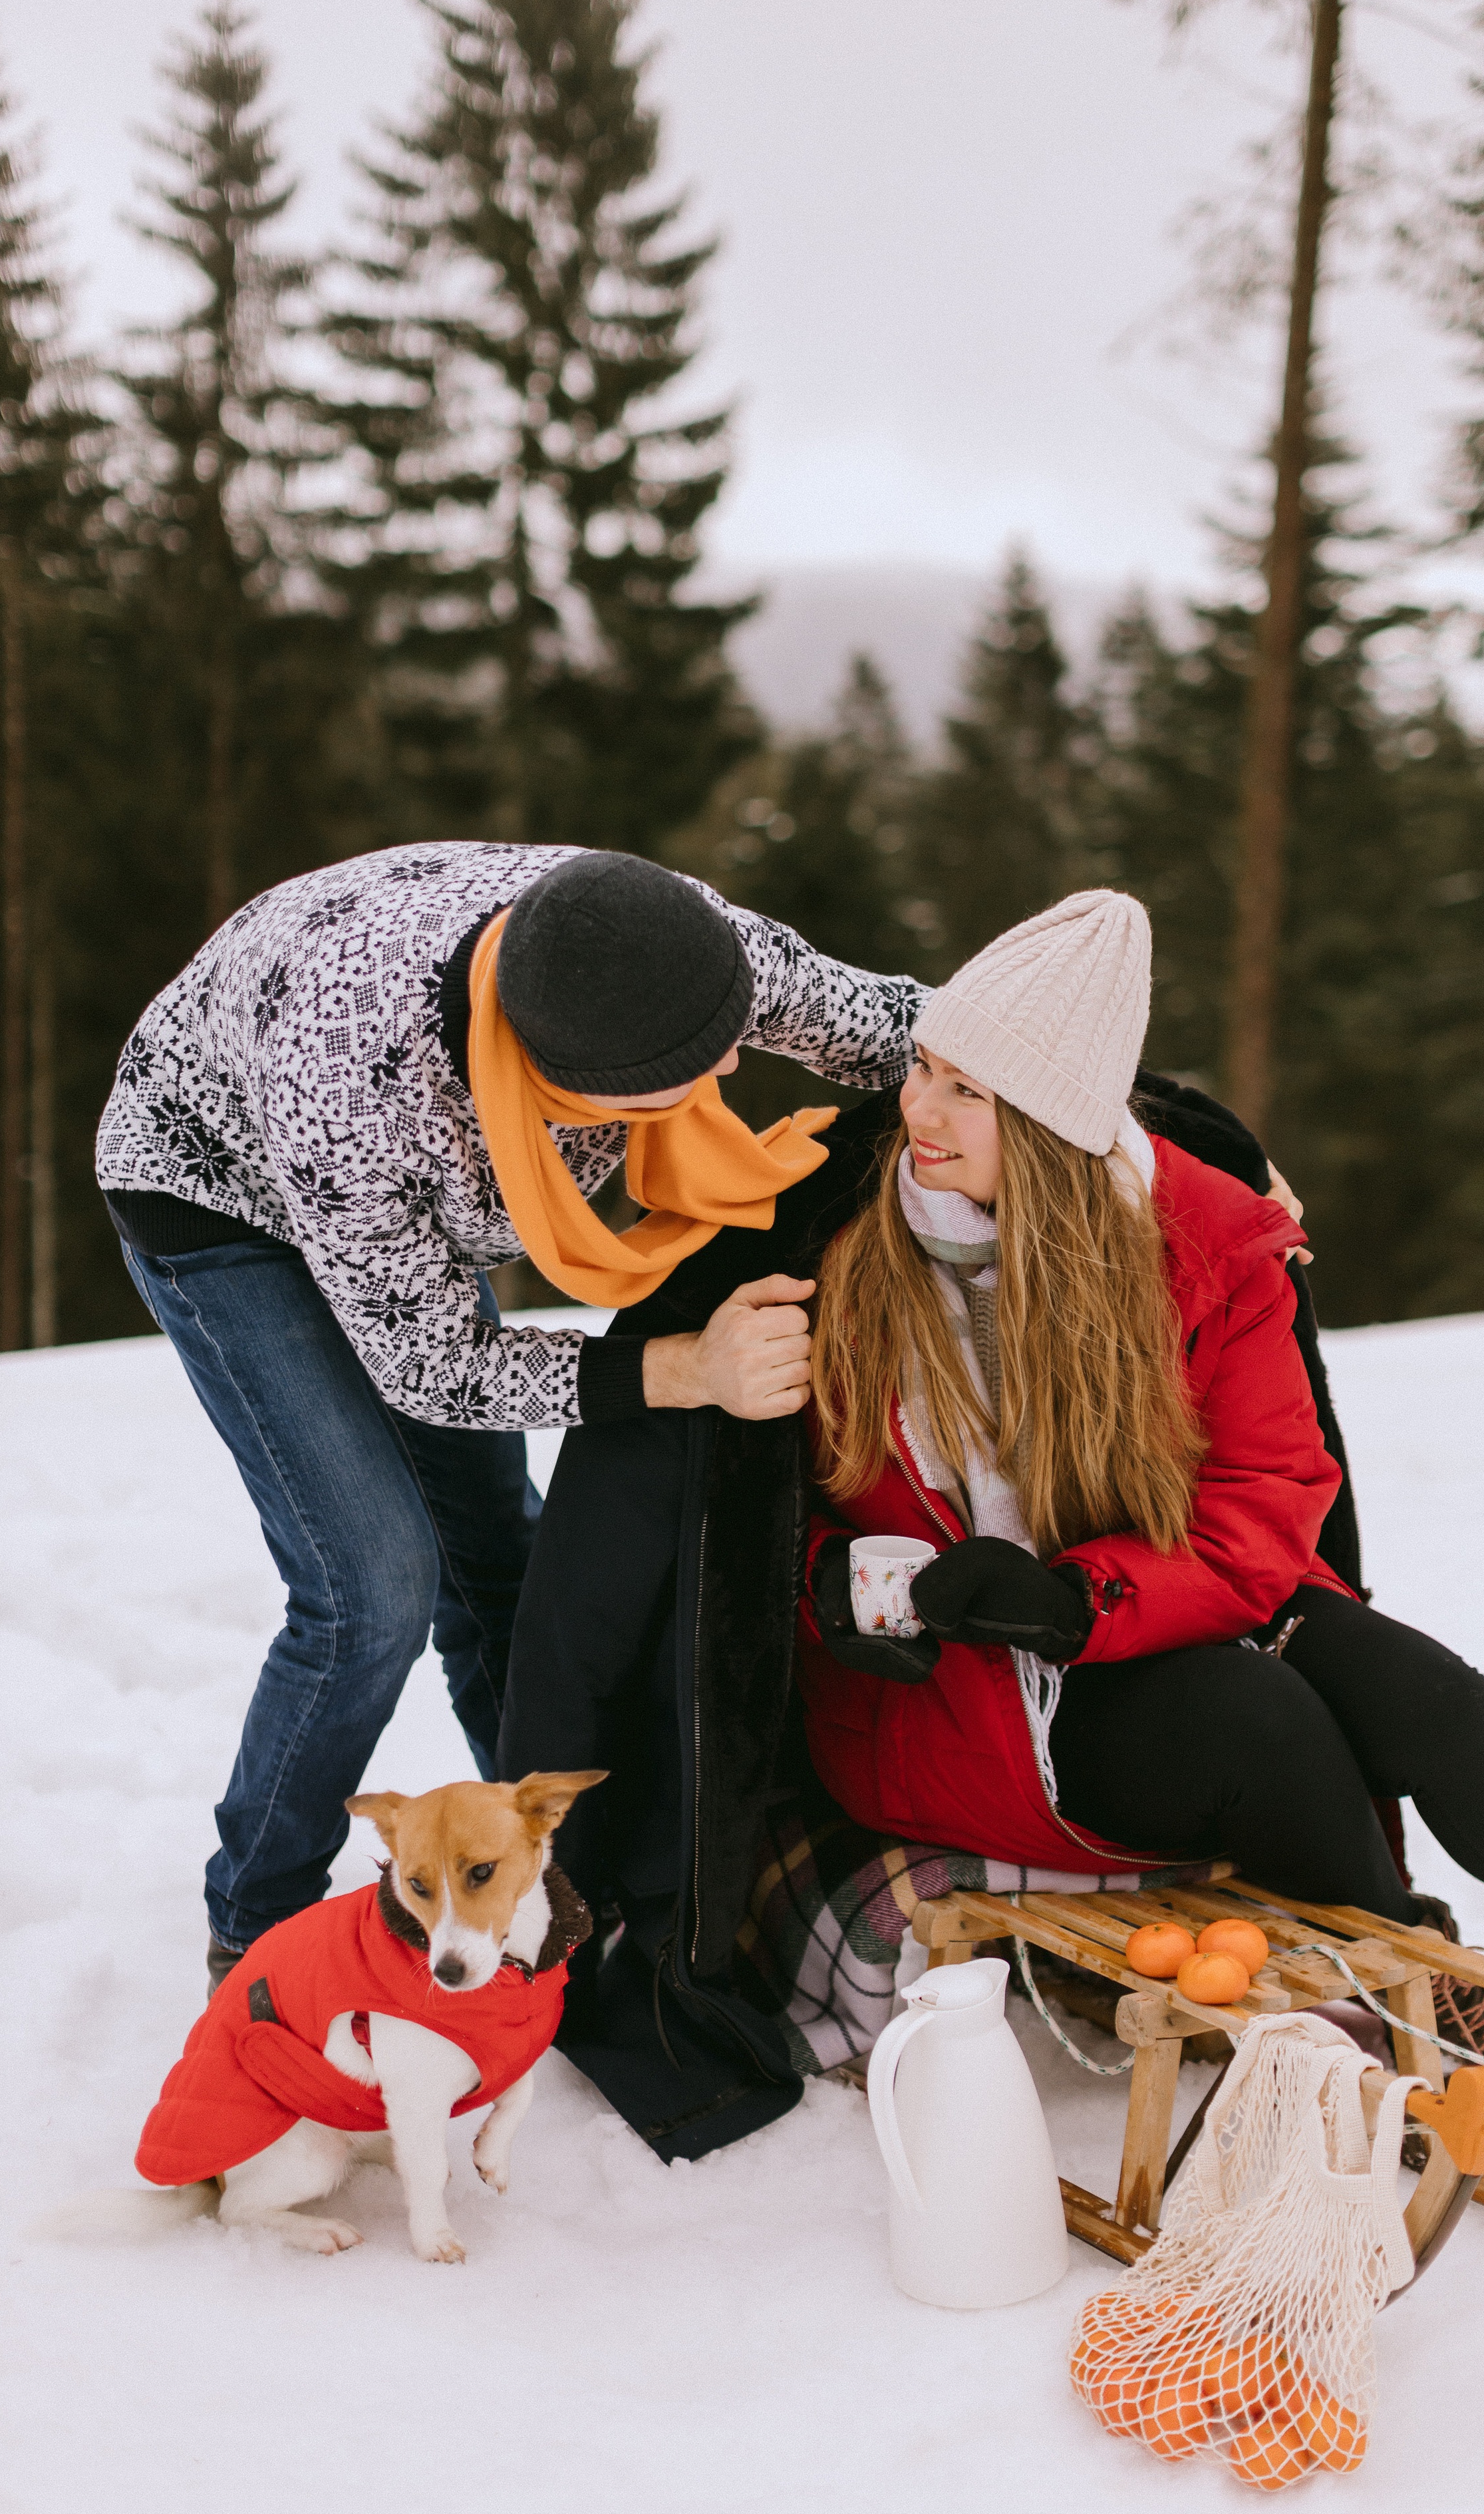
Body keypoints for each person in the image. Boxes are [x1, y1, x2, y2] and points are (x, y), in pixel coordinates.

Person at [797, 889, 1484, 2148]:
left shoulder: (1201, 1245)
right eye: (927, 1072)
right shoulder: (843, 1262)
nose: (922, 1114)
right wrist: (859, 1589)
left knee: (1416, 1691)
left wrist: (1080, 1599)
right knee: (1257, 1718)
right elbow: (763, 1536)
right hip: (962, 1701)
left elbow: (1266, 1510)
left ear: (1057, 1126)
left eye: (971, 1092)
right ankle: (1418, 1996)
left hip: (1126, 1614)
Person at [98, 843, 921, 1984]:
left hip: (396, 1189)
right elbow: (436, 1369)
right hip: (219, 1192)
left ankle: (550, 1879)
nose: (735, 1059)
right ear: (562, 1082)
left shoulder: (671, 948)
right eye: (684, 1074)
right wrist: (683, 1368)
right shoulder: (362, 1095)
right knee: (370, 1592)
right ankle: (256, 1926)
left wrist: (1151, 1136)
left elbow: (904, 1031)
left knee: (501, 1553)